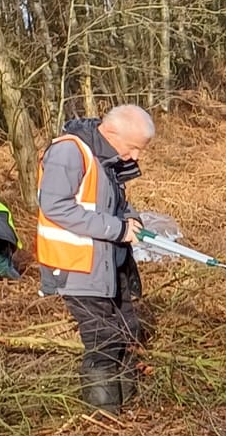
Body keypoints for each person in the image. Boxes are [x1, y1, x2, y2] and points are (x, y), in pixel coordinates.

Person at [36, 103, 155, 414]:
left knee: (127, 331)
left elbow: (113, 204)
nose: (136, 157)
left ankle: (129, 405)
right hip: (78, 267)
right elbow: (56, 207)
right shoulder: (69, 153)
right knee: (103, 339)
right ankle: (104, 418)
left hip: (110, 265)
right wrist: (117, 229)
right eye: (133, 148)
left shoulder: (109, 159)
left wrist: (132, 220)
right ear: (113, 132)